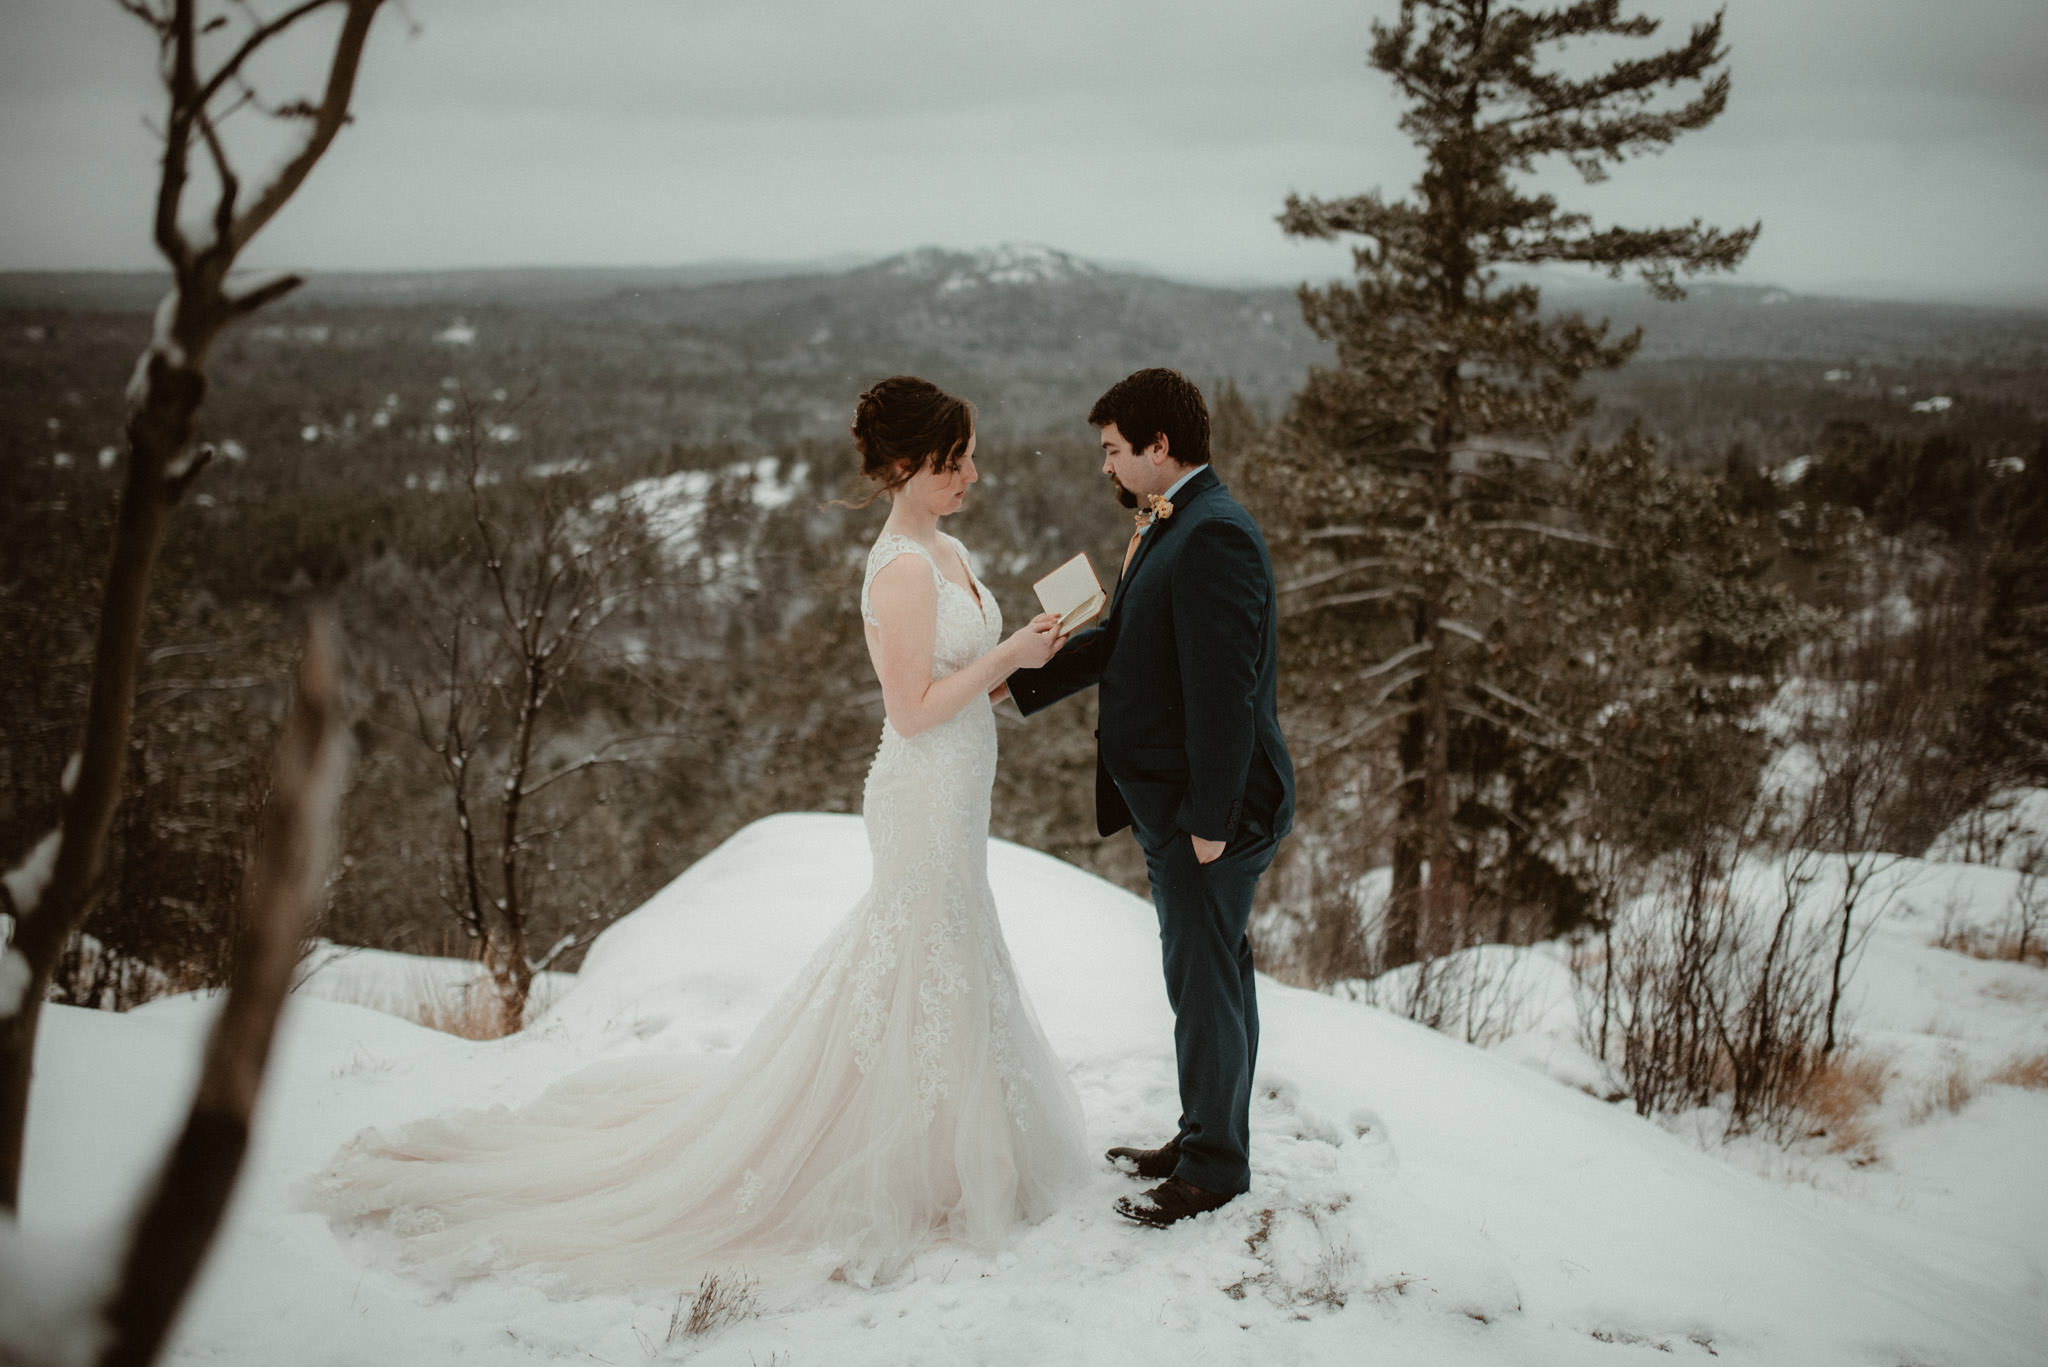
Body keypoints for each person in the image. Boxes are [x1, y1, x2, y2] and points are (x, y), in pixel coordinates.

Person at [306, 376, 1088, 1293]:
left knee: (949, 950)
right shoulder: (903, 569)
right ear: (908, 465)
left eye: (969, 460)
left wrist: (1037, 649)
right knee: (922, 948)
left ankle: (947, 1140)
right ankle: (886, 1151)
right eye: (954, 463)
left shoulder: (948, 548)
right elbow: (911, 712)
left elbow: (972, 684)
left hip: (961, 788)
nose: (973, 475)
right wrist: (1007, 654)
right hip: (920, 792)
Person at [1007, 368, 1293, 1229]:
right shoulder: (1175, 524)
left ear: (1158, 447)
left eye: (1113, 450)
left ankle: (1213, 1168)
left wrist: (1210, 820)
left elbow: (1224, 693)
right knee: (1210, 973)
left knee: (1203, 980)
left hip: (1210, 811)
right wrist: (1015, 675)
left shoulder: (1213, 537)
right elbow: (1125, 644)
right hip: (1181, 804)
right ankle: (1207, 1133)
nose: (1106, 466)